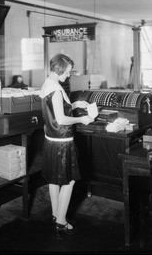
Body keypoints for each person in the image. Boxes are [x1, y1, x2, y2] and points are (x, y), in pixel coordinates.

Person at [39, 53, 94, 237]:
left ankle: (56, 215)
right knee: (69, 180)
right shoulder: (56, 89)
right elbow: (61, 119)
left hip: (50, 141)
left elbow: (55, 110)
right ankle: (62, 222)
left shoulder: (48, 84)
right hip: (62, 142)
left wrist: (76, 103)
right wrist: (82, 119)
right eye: (68, 72)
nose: (69, 75)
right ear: (60, 69)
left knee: (54, 180)